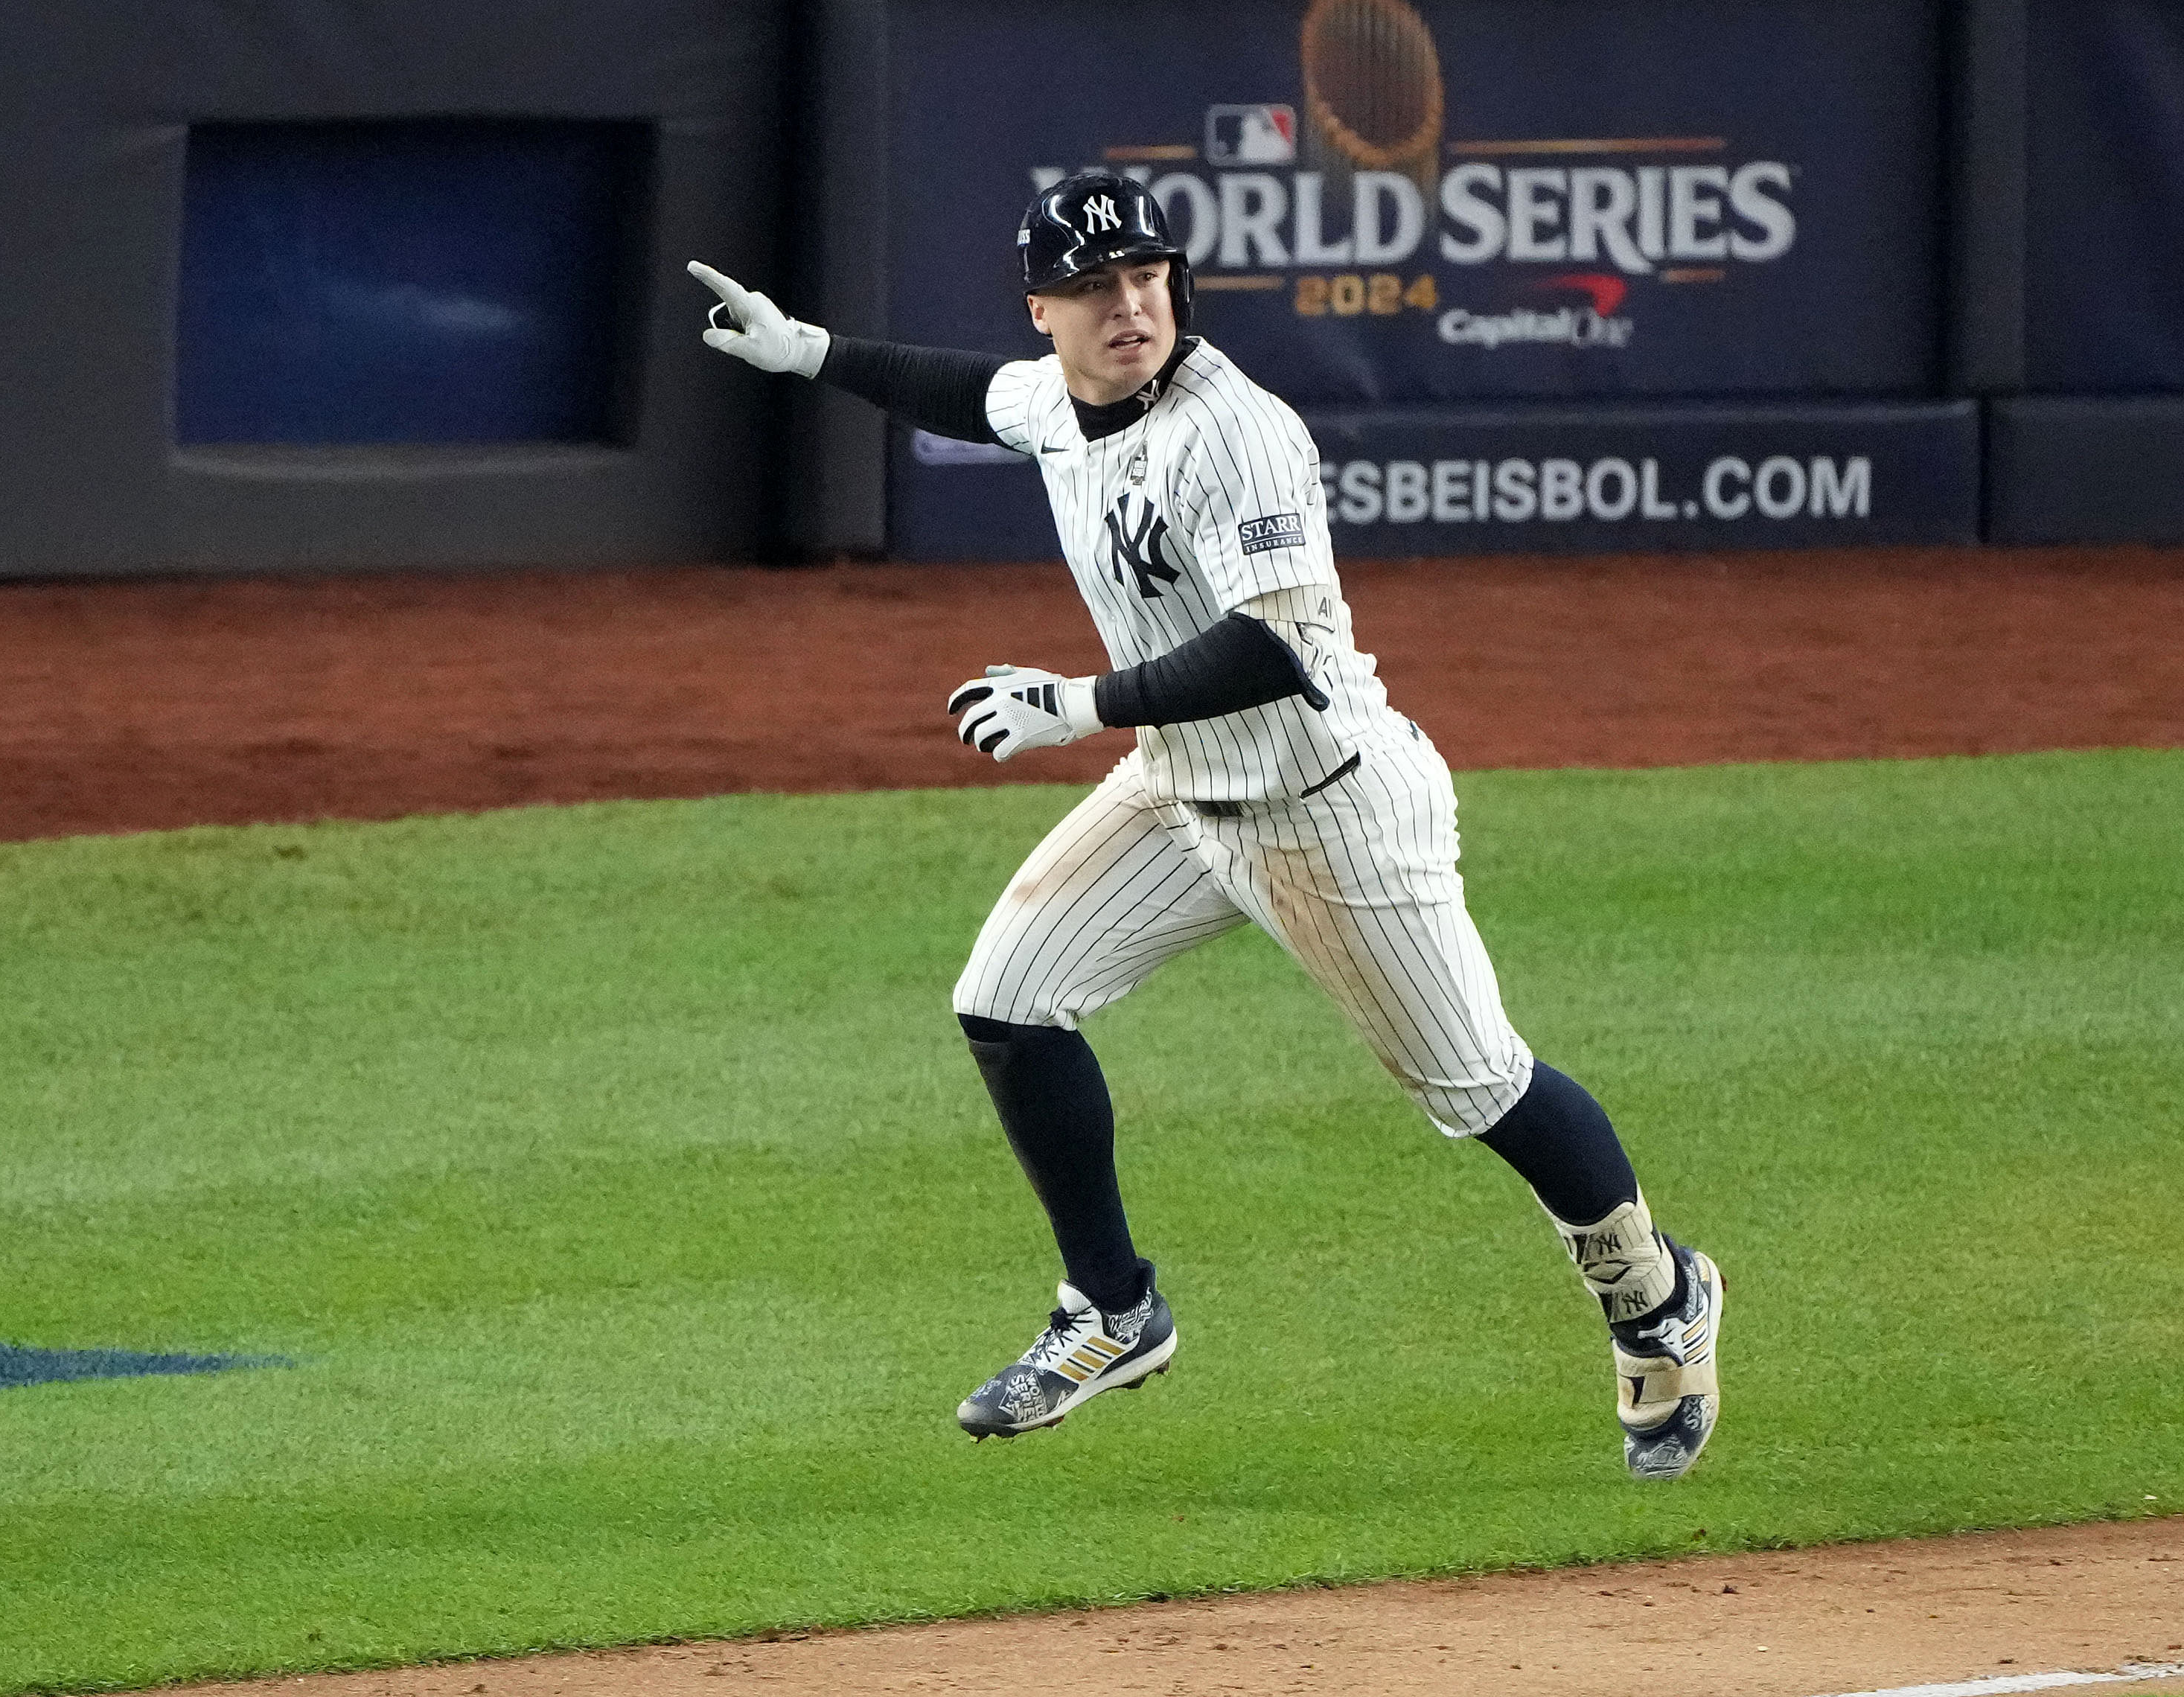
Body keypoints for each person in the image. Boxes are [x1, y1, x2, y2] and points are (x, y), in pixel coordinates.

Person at [688, 172, 1723, 1480]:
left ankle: (1656, 1295)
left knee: (1479, 1090)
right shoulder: (1064, 399)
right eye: (1094, 289)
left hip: (1328, 807)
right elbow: (973, 394)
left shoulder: (1233, 430)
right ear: (1045, 311)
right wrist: (806, 351)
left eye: (1147, 277)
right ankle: (1113, 1310)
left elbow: (1275, 645)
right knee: (1006, 997)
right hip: (1179, 787)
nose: (1130, 305)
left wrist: (1079, 703)